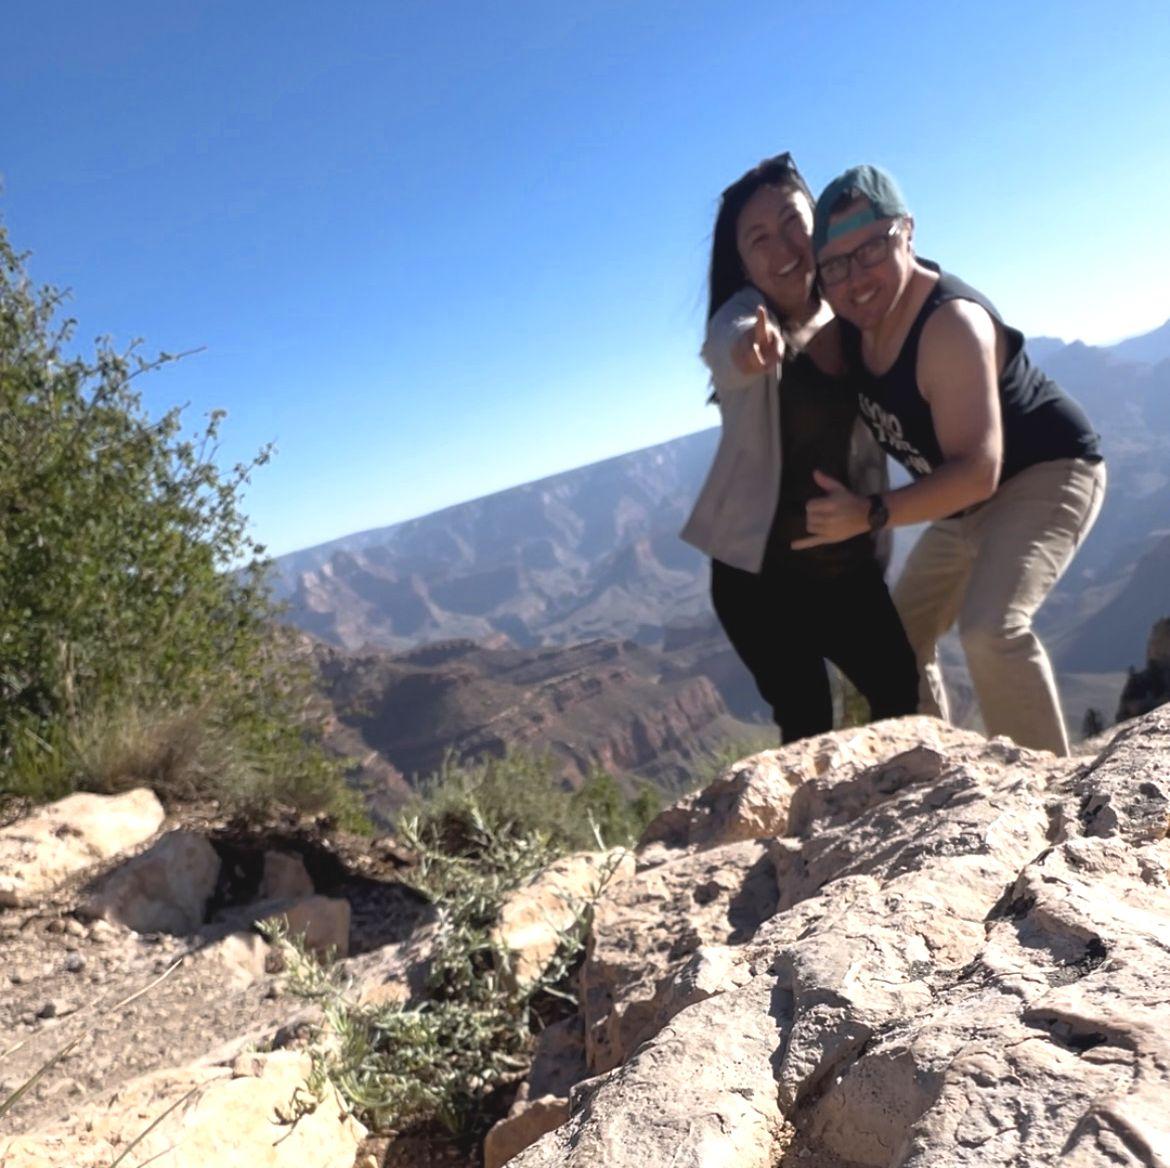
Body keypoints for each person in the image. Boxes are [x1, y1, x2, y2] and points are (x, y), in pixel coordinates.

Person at [801, 164, 1105, 756]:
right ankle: (936, 771)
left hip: (1044, 472)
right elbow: (793, 343)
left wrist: (869, 512)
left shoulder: (949, 326)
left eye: (870, 250)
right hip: (962, 503)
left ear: (907, 232)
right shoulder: (852, 329)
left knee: (990, 631)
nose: (855, 278)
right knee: (891, 644)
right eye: (835, 265)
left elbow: (977, 471)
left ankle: (1046, 798)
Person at [680, 154, 919, 744]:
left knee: (899, 693)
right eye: (758, 238)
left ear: (817, 219)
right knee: (809, 719)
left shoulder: (858, 306)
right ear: (742, 263)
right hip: (759, 580)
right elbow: (727, 343)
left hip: (848, 564)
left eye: (792, 221)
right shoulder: (746, 317)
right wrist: (749, 352)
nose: (782, 246)